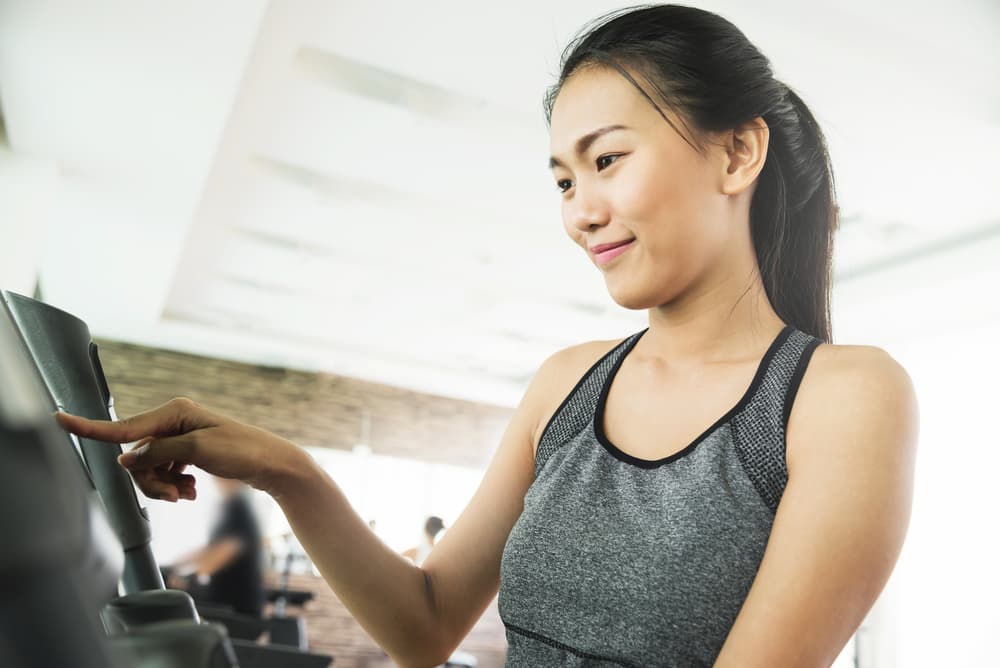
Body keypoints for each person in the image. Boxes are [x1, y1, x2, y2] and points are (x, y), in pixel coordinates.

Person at [57, 5, 918, 666]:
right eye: (562, 179)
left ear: (736, 155)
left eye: (607, 159)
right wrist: (287, 469)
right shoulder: (567, 385)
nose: (581, 213)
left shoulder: (840, 396)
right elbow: (424, 626)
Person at [165, 476, 265, 618]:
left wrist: (190, 578)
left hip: (237, 608)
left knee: (175, 600)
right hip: (222, 596)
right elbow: (209, 549)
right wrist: (173, 565)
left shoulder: (240, 506)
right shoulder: (228, 505)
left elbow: (229, 549)